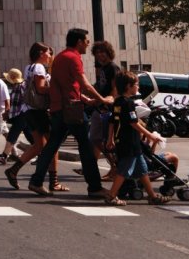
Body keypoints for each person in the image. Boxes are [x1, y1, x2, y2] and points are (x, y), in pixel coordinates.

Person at [27, 28, 113, 198]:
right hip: (71, 109)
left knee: (52, 145)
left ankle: (36, 181)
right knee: (87, 147)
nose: (88, 44)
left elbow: (65, 85)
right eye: (86, 41)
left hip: (60, 108)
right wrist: (102, 100)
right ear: (79, 42)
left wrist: (86, 100)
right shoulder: (73, 58)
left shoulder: (59, 57)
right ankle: (95, 187)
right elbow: (84, 83)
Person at [104, 72, 171, 206]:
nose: (138, 87)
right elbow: (133, 123)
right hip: (129, 142)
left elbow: (112, 121)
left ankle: (152, 196)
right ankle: (111, 196)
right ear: (128, 86)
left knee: (142, 169)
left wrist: (110, 139)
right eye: (136, 85)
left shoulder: (117, 102)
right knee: (124, 170)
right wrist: (150, 135)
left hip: (126, 141)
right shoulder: (129, 103)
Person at [5, 42, 64, 190]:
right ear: (40, 54)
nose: (50, 56)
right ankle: (53, 181)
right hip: (37, 110)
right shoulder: (38, 67)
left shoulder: (29, 67)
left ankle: (13, 170)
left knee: (39, 146)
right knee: (52, 145)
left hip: (28, 110)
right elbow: (41, 89)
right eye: (48, 53)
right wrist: (58, 89)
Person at [90, 41, 119, 179]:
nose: (100, 55)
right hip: (100, 106)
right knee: (97, 139)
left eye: (103, 52)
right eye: (97, 53)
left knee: (99, 139)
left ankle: (114, 167)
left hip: (106, 108)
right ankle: (113, 167)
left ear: (109, 53)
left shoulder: (112, 67)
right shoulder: (103, 68)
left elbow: (115, 89)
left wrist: (108, 104)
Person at [0, 68, 32, 164]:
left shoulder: (19, 87)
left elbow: (19, 102)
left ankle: (4, 156)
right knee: (30, 137)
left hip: (21, 114)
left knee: (12, 135)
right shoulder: (20, 86)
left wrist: (8, 112)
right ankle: (43, 155)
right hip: (23, 114)